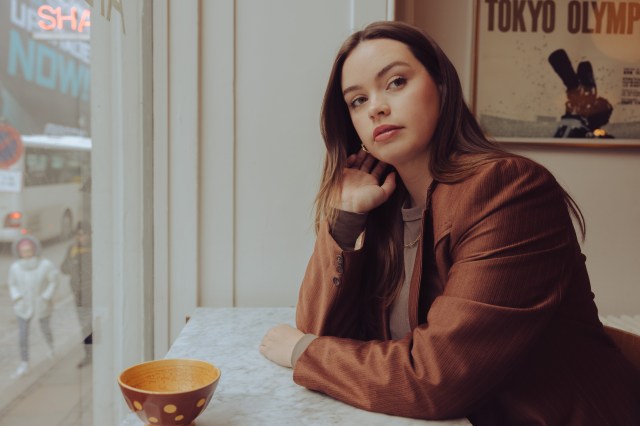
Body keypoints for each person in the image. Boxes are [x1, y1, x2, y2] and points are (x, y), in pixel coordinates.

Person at [259, 21, 640, 424]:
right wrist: (346, 216)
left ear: (441, 85)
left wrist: (303, 352)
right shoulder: (387, 206)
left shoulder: (508, 190)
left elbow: (434, 380)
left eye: (396, 82)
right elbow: (319, 329)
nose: (376, 107)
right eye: (357, 100)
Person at [8, 235, 60, 379]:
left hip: (41, 304)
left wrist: (46, 296)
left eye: (29, 250)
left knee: (45, 328)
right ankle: (24, 362)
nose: (27, 253)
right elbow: (12, 284)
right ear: (19, 252)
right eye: (23, 251)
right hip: (23, 306)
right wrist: (17, 297)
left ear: (35, 249)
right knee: (23, 335)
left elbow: (53, 281)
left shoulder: (45, 265)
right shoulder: (15, 268)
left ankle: (50, 350)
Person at [61, 221, 93, 368]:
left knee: (94, 325)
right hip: (78, 295)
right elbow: (63, 268)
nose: (81, 238)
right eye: (78, 235)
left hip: (92, 294)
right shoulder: (72, 250)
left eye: (84, 234)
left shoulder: (93, 250)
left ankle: (96, 352)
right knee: (84, 326)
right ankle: (88, 354)